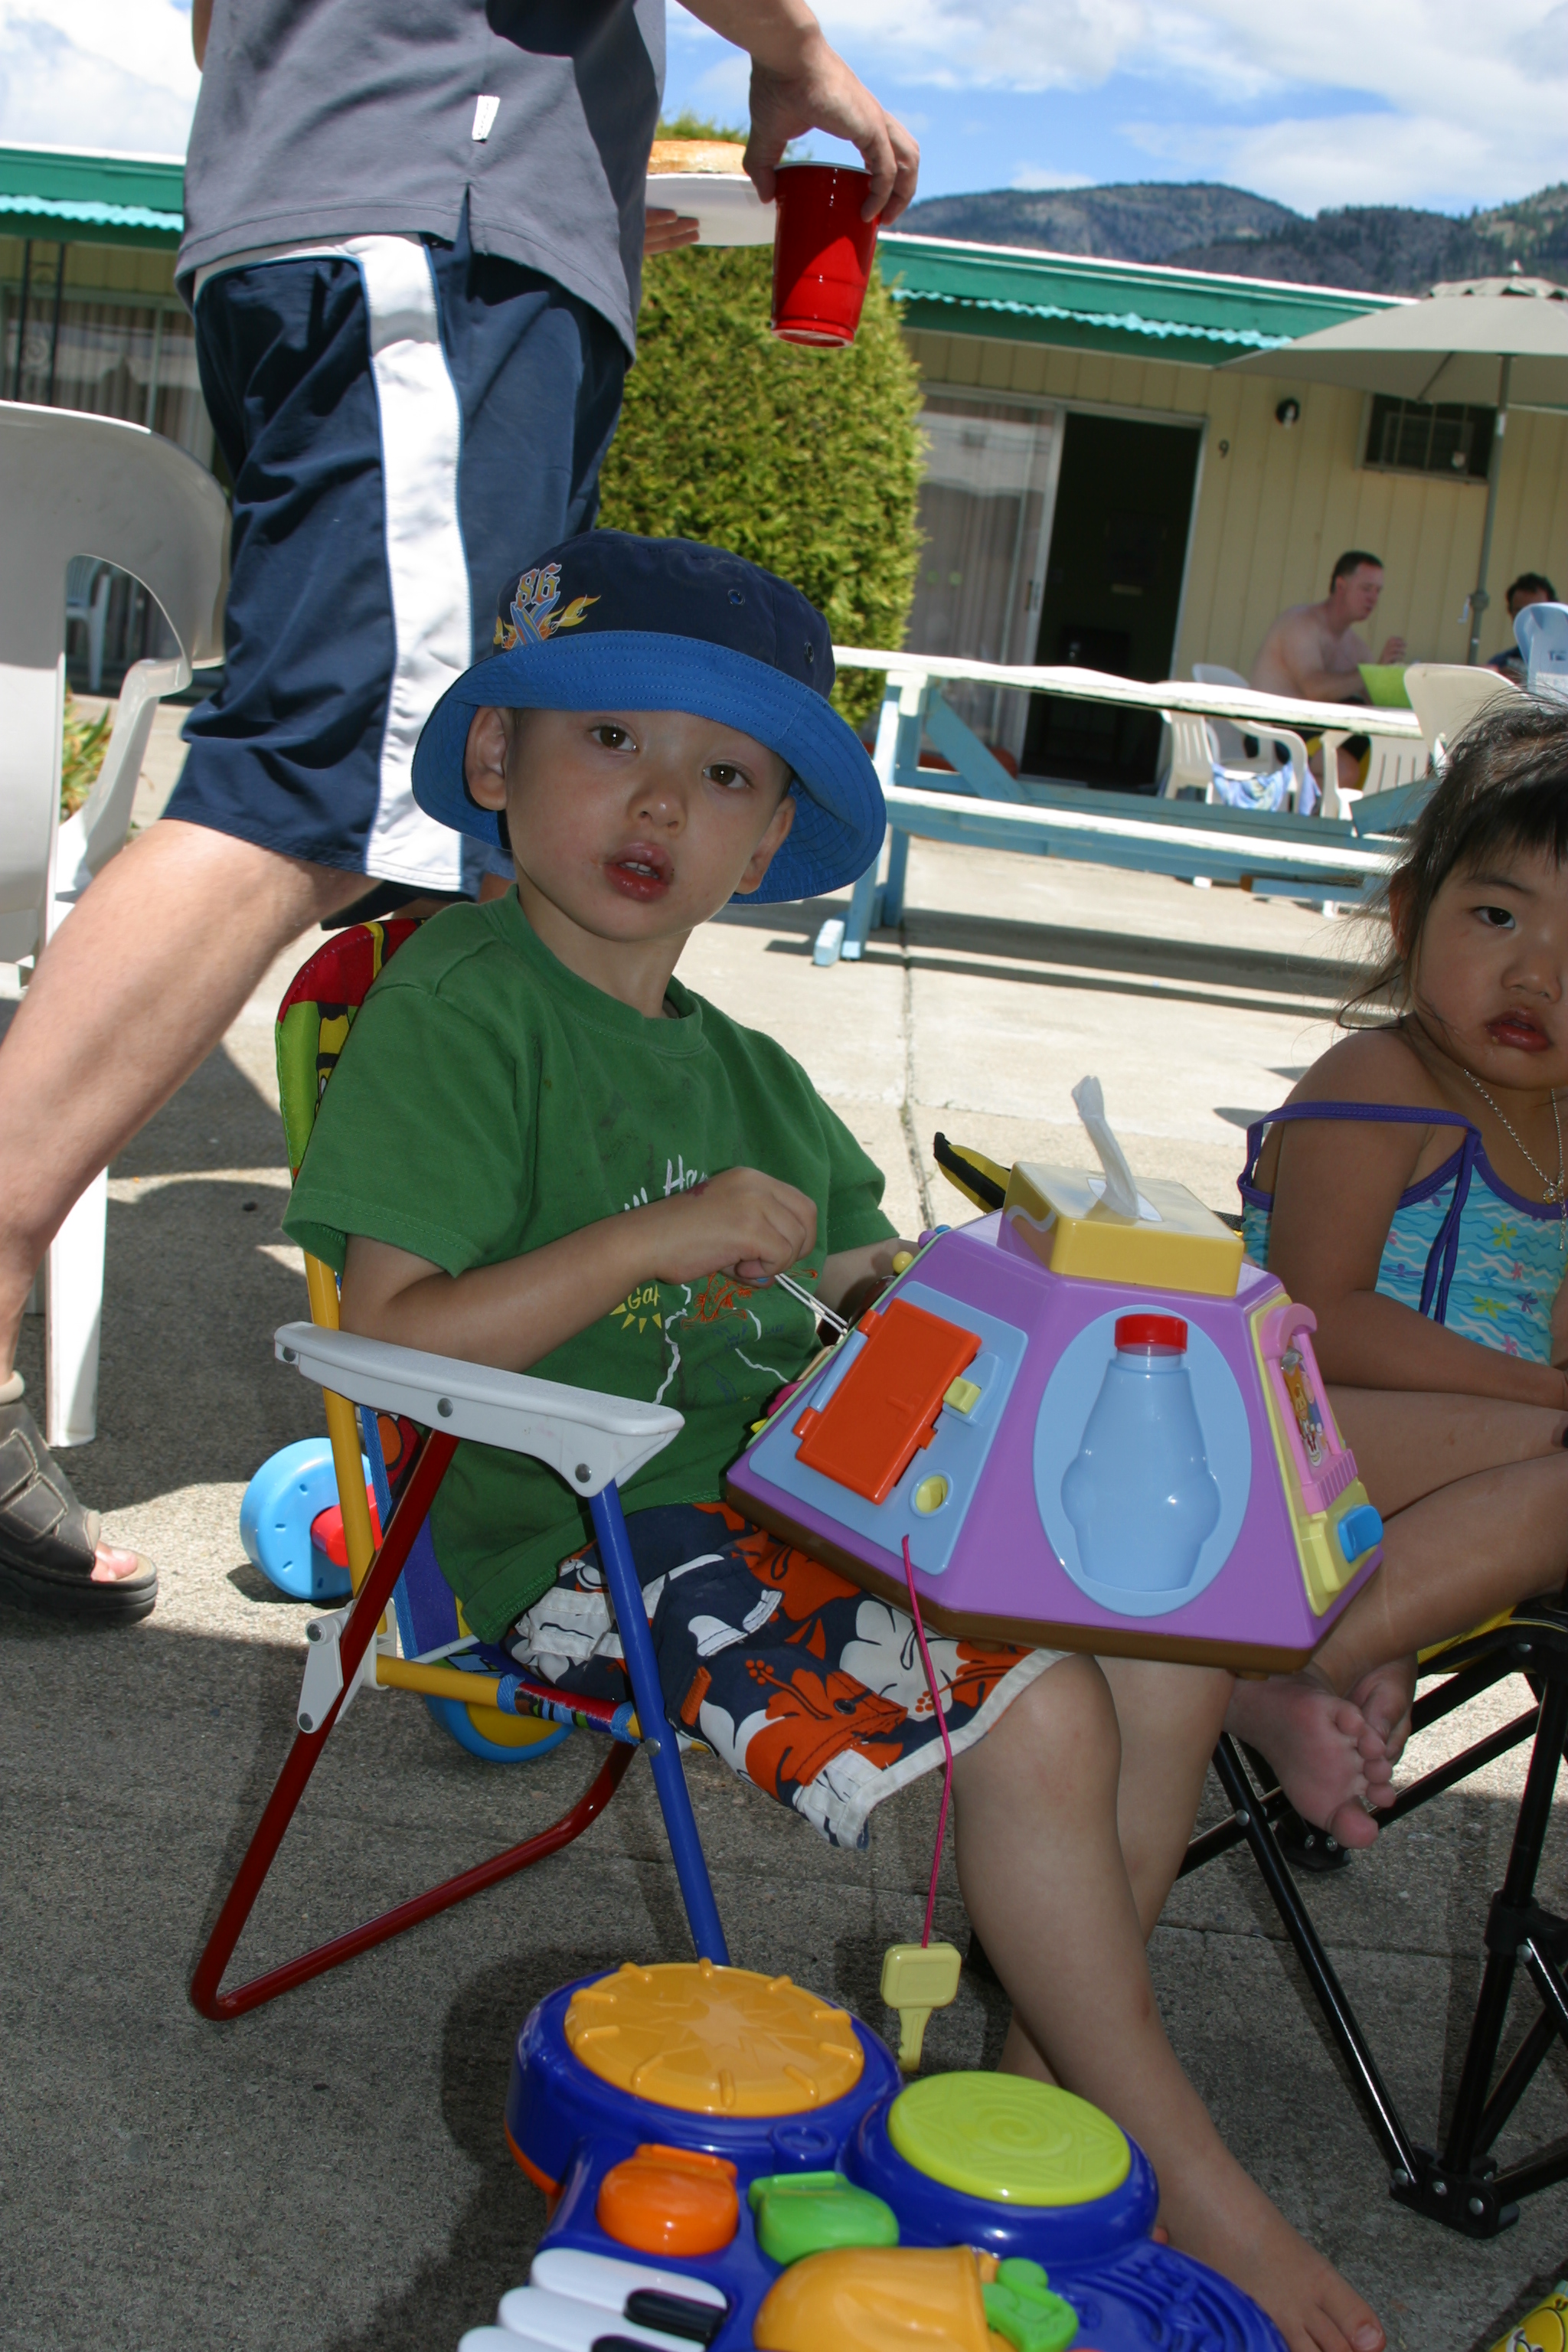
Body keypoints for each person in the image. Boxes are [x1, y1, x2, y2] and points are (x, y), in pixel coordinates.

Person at [283, 530, 1386, 2352]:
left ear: (765, 835)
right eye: (610, 736)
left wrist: (1006, 1265)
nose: (662, 798)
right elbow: (383, 1341)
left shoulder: (746, 1070)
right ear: (497, 762)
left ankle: (1056, 2073)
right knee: (1035, 1717)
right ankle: (1176, 2155)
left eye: (725, 773)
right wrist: (651, 1236)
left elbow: (857, 1286)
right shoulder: (459, 1011)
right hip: (583, 1531)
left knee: (1164, 1643)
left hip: (784, 1500)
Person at [0, 0, 920, 1623]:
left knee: (359, 800)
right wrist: (787, 50)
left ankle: (476, 1445)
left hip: (404, 195)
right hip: (442, 204)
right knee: (320, 790)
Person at [1223, 698, 1568, 1847]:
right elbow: (1321, 1315)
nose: (1539, 974)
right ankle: (1299, 1656)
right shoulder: (1377, 1076)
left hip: (1439, 1477)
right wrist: (1540, 1399)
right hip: (1282, 1435)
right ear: (1412, 915)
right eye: (1496, 916)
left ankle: (1354, 1658)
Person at [1250, 551, 1406, 802]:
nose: (1373, 598)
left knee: (1388, 766)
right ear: (1340, 586)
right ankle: (1307, 832)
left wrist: (1395, 679)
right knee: (1344, 770)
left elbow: (1376, 701)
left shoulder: (1355, 646)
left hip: (1317, 733)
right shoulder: (1300, 625)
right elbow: (1315, 689)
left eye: (1379, 591)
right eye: (1367, 588)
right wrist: (1373, 673)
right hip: (1274, 733)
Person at [1489, 572, 1559, 681]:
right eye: (1520, 612)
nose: (1529, 619)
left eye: (1536, 611)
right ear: (1511, 613)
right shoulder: (1501, 663)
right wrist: (1496, 681)